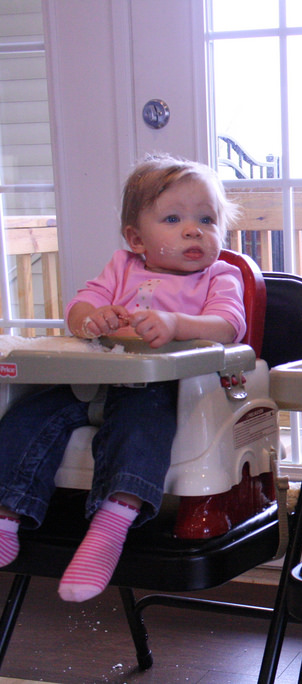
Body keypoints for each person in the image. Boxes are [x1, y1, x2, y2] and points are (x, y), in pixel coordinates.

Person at [0, 154, 247, 603]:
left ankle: (111, 523)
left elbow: (228, 327)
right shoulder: (121, 268)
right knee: (28, 413)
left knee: (139, 421)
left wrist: (176, 325)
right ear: (136, 238)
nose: (194, 229)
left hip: (167, 393)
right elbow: (78, 309)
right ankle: (5, 514)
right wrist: (92, 319)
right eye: (173, 218)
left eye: (207, 219)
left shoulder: (220, 276)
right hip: (95, 383)